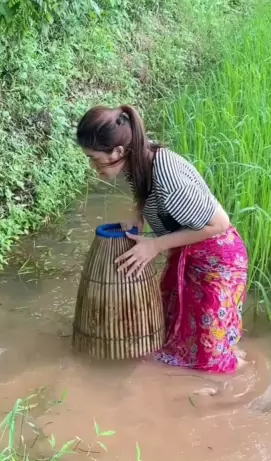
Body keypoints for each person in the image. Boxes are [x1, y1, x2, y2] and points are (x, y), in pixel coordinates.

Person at [76, 104, 248, 374]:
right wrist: (138, 218)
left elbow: (219, 224)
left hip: (218, 262)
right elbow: (143, 189)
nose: (92, 166)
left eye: (94, 158)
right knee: (175, 338)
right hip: (188, 252)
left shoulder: (169, 180)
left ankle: (233, 385)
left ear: (118, 152)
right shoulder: (139, 158)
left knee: (210, 352)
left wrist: (155, 245)